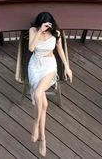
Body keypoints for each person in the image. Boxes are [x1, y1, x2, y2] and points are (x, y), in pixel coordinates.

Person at [28, 12, 73, 157]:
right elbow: (31, 48)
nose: (46, 28)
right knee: (44, 105)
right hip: (35, 66)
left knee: (37, 94)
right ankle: (43, 138)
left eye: (48, 26)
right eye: (43, 25)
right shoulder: (34, 31)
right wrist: (39, 31)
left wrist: (67, 67)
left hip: (49, 67)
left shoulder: (56, 33)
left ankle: (36, 125)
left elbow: (60, 50)